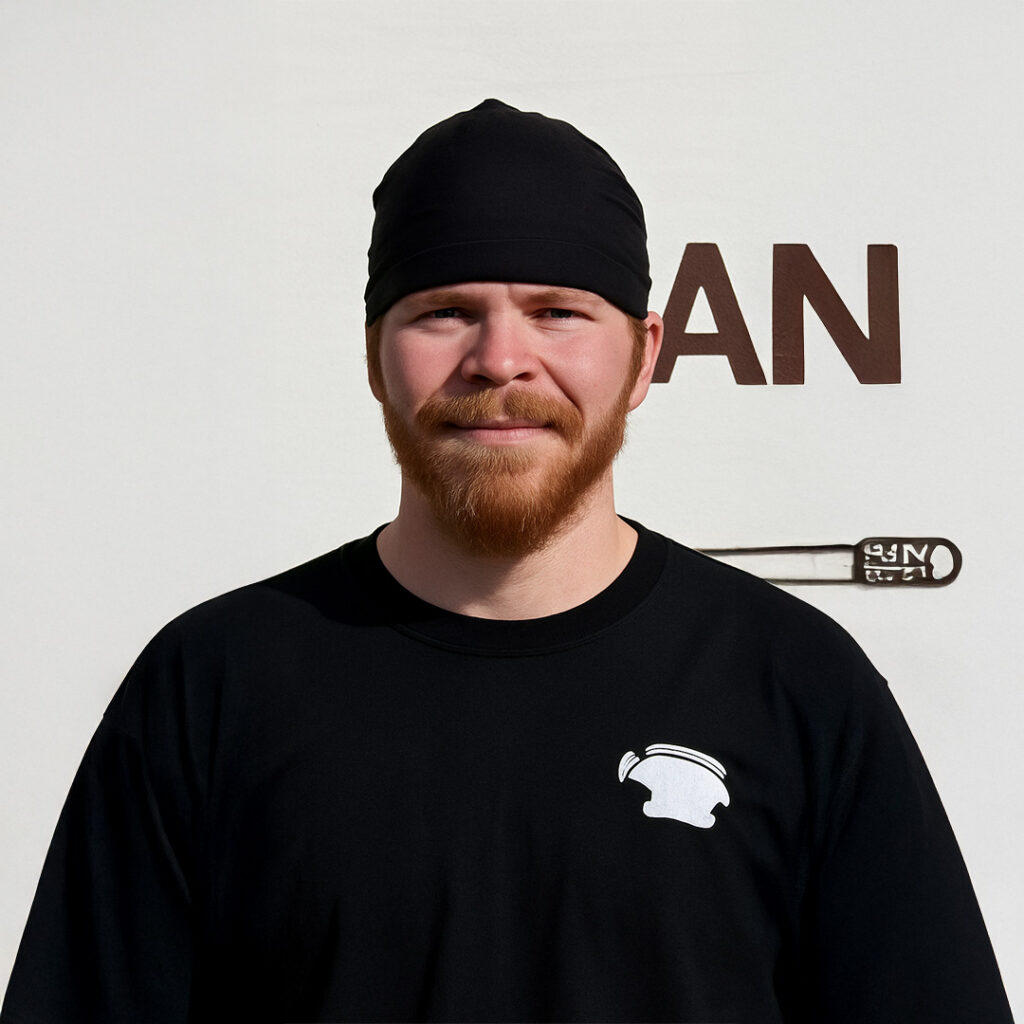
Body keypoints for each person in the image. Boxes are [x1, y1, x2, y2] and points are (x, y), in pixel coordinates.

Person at [1, 99, 1013, 1024]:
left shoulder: (795, 684)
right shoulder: (212, 687)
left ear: (644, 354)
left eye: (557, 311)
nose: (498, 359)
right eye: (444, 310)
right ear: (372, 354)